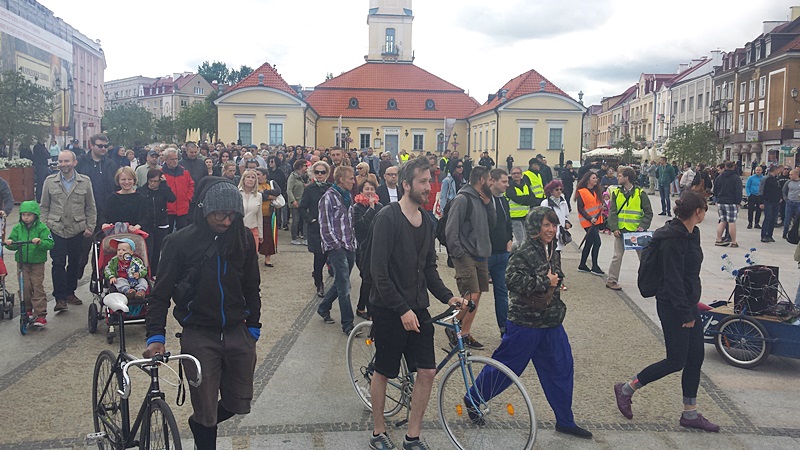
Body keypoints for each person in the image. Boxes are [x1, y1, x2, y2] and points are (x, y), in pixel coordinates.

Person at [144, 177, 261, 449]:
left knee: (238, 403)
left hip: (236, 331)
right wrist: (155, 336)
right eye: (220, 214)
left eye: (233, 214)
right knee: (207, 411)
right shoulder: (178, 242)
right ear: (205, 208)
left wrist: (253, 326)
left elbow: (252, 284)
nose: (226, 221)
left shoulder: (241, 236)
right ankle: (203, 432)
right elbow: (160, 294)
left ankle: (197, 424)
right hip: (199, 334)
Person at [469, 207, 593, 440]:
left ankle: (565, 420)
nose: (551, 230)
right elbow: (510, 281)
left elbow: (554, 277)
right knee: (507, 368)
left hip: (551, 322)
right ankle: (473, 398)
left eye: (553, 225)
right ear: (535, 227)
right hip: (525, 323)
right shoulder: (522, 251)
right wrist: (543, 281)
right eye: (546, 225)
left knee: (561, 368)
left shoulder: (552, 251)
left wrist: (556, 282)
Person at [367, 157, 462, 450]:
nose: (428, 187)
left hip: (418, 309)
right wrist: (401, 309)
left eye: (429, 180)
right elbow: (378, 273)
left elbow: (429, 269)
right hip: (388, 309)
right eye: (422, 181)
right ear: (406, 185)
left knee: (427, 371)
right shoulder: (387, 217)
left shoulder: (429, 221)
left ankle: (413, 436)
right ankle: (378, 431)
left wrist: (448, 296)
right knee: (384, 370)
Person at [614, 190, 719, 433]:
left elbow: (689, 274)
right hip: (673, 306)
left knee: (695, 359)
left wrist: (694, 303)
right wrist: (685, 313)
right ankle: (626, 389)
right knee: (676, 361)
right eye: (704, 209)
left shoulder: (692, 233)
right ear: (697, 212)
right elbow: (672, 279)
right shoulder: (672, 238)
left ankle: (689, 414)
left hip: (687, 303)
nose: (705, 213)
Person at [444, 166, 497, 350]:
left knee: (477, 295)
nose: (492, 182)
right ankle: (454, 326)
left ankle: (464, 333)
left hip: (481, 254)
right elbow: (451, 230)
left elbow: (493, 224)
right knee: (470, 295)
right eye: (490, 179)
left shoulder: (483, 199)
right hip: (466, 255)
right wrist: (459, 254)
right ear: (481, 180)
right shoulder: (462, 199)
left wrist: (489, 204)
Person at [40, 151, 97, 311]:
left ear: (74, 163)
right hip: (56, 228)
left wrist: (90, 227)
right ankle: (59, 298)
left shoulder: (84, 181)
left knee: (75, 262)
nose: (63, 164)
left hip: (77, 229)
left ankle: (70, 292)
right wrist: (44, 227)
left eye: (66, 161)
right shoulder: (50, 181)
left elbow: (91, 206)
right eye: (60, 161)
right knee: (57, 263)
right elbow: (44, 206)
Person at [317, 165, 358, 335]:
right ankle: (348, 324)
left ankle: (323, 307)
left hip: (349, 244)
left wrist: (352, 242)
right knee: (344, 286)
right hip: (336, 247)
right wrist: (336, 246)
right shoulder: (328, 198)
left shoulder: (348, 196)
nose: (353, 181)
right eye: (351, 178)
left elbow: (349, 222)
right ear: (341, 179)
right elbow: (324, 226)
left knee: (341, 281)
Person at [4, 201, 54, 327]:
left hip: (37, 262)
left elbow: (50, 243)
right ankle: (26, 309)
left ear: (35, 215)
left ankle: (40, 314)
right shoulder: (17, 228)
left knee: (37, 286)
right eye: (23, 215)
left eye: (29, 215)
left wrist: (40, 242)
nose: (26, 218)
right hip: (22, 262)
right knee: (24, 287)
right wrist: (10, 243)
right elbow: (13, 244)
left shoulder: (42, 228)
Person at [604, 166, 653, 291]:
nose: (617, 177)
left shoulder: (640, 193)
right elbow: (612, 213)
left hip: (637, 232)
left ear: (626, 178)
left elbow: (648, 212)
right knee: (617, 256)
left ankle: (647, 281)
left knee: (643, 258)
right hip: (621, 231)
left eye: (620, 176)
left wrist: (643, 226)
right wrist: (614, 228)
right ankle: (612, 280)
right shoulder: (616, 193)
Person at [487, 168, 513, 336]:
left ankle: (504, 329)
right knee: (474, 294)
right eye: (503, 181)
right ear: (493, 181)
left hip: (502, 253)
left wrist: (508, 244)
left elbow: (507, 224)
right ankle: (460, 328)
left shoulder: (503, 201)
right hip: (485, 254)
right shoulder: (484, 200)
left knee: (502, 294)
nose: (506, 184)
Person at [351, 178, 382, 320]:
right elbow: (360, 226)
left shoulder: (380, 206)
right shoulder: (356, 207)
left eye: (372, 189)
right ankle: (369, 311)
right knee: (367, 278)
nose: (370, 191)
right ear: (361, 191)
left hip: (377, 246)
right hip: (362, 248)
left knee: (370, 279)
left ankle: (362, 307)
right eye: (367, 189)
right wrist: (370, 209)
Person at [300, 161, 331, 298]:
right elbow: (302, 207)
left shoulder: (331, 188)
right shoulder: (309, 189)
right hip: (316, 227)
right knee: (319, 256)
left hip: (330, 228)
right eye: (317, 172)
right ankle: (319, 282)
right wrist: (310, 220)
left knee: (328, 255)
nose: (319, 175)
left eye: (322, 172)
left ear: (327, 174)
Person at [137, 169, 175, 275]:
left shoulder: (163, 189)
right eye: (151, 181)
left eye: (156, 181)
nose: (153, 183)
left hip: (161, 223)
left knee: (158, 250)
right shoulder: (142, 190)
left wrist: (165, 184)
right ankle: (146, 272)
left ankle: (154, 273)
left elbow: (172, 199)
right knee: (149, 249)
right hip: (147, 225)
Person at [541, 180, 571, 291]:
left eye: (560, 190)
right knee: (550, 258)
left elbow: (566, 216)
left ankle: (558, 280)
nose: (559, 192)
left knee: (557, 257)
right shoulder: (545, 203)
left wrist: (567, 222)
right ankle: (553, 279)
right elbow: (542, 218)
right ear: (550, 191)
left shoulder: (563, 202)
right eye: (556, 190)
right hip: (549, 235)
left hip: (559, 235)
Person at [101, 167, 149, 232]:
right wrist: (104, 224)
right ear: (118, 180)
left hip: (136, 234)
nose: (126, 182)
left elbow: (146, 218)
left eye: (129, 179)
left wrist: (138, 226)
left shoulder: (141, 198)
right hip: (116, 235)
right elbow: (104, 216)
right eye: (123, 179)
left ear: (134, 180)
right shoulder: (112, 198)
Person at [575, 171, 604, 275]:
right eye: (594, 178)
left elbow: (597, 205)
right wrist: (589, 218)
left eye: (596, 178)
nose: (596, 180)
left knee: (590, 242)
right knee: (597, 242)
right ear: (588, 180)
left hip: (596, 221)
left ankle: (582, 264)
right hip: (588, 222)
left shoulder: (597, 191)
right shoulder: (582, 192)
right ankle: (595, 266)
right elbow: (580, 208)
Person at [162, 148, 195, 232]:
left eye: (176, 159)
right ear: (165, 160)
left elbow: (191, 185)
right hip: (168, 209)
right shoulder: (161, 173)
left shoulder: (184, 172)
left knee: (182, 233)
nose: (175, 161)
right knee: (168, 233)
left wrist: (188, 198)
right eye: (172, 159)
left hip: (183, 207)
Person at [713, 161, 743, 248]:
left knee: (722, 221)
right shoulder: (736, 178)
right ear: (733, 167)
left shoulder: (719, 177)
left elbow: (715, 189)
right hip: (731, 202)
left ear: (725, 167)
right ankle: (733, 241)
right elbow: (738, 191)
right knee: (731, 222)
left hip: (721, 201)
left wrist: (717, 198)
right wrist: (738, 202)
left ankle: (718, 239)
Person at [256, 168, 281, 266]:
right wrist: (269, 196)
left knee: (268, 237)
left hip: (269, 214)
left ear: (264, 175)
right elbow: (258, 195)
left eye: (258, 174)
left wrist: (264, 192)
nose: (257, 176)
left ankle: (267, 259)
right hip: (256, 215)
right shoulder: (253, 184)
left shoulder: (271, 183)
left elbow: (277, 192)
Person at [506, 167, 535, 249]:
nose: (516, 175)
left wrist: (524, 199)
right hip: (515, 217)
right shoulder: (509, 186)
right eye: (514, 173)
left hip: (525, 216)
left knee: (526, 239)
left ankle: (514, 251)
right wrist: (526, 199)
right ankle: (516, 255)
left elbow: (532, 198)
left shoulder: (526, 185)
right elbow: (516, 198)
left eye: (518, 173)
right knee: (521, 240)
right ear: (511, 175)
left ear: (521, 174)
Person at [239, 169, 263, 253]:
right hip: (239, 230)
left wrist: (260, 234)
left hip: (253, 230)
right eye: (248, 177)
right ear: (243, 179)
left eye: (253, 177)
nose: (250, 179)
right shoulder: (237, 193)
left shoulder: (259, 196)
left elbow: (259, 216)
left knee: (252, 257)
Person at [287, 160, 308, 245]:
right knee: (295, 221)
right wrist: (293, 201)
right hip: (296, 202)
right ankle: (294, 238)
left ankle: (306, 238)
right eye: (305, 166)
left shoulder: (306, 176)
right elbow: (289, 190)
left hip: (304, 201)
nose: (307, 167)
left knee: (305, 221)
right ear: (300, 167)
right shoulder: (292, 176)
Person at [759, 165, 782, 243]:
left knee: (773, 219)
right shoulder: (766, 178)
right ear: (775, 170)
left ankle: (769, 235)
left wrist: (780, 197)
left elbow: (778, 189)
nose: (779, 171)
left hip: (775, 201)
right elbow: (761, 190)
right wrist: (761, 202)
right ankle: (763, 235)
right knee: (768, 218)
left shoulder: (776, 179)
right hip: (767, 201)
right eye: (778, 170)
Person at [782, 168, 800, 239]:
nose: (790, 176)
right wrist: (786, 199)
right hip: (790, 203)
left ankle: (795, 233)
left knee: (797, 220)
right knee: (787, 219)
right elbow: (784, 191)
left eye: (791, 175)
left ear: (796, 175)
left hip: (798, 203)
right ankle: (785, 233)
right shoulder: (788, 182)